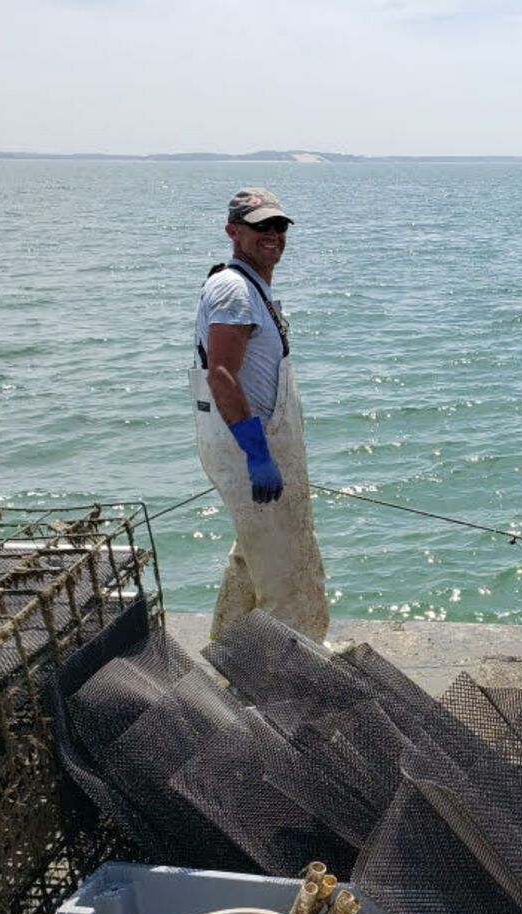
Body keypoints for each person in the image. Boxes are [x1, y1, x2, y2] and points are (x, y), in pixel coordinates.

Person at [190, 187, 329, 643]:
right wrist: (257, 453)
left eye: (278, 226)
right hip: (253, 446)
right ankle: (295, 681)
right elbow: (222, 375)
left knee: (254, 558)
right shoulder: (234, 289)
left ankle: (227, 657)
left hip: (256, 443)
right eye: (260, 227)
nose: (272, 235)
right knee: (291, 581)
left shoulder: (250, 285)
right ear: (233, 231)